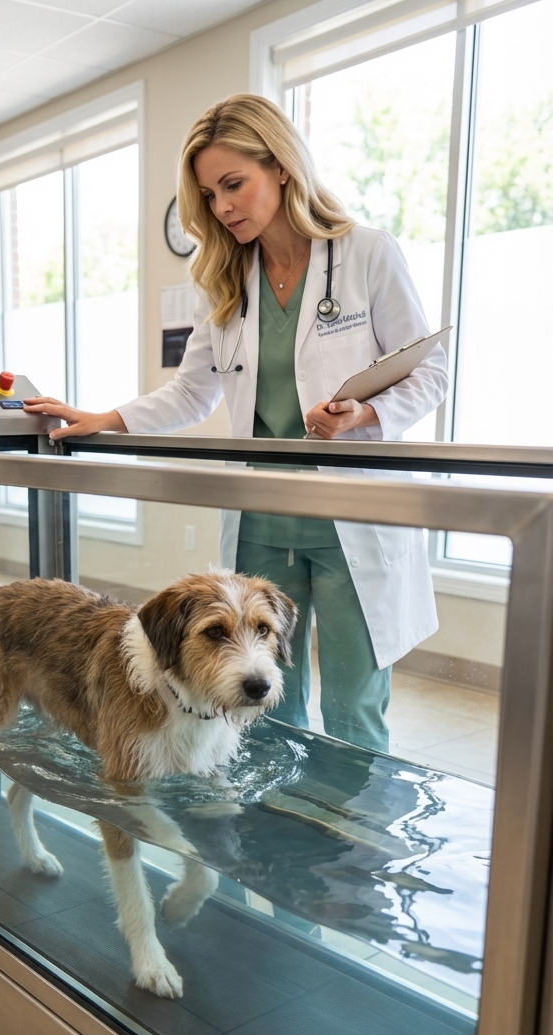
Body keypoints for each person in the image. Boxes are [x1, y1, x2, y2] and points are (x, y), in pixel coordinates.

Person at [23, 94, 447, 753]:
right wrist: (106, 418)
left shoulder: (365, 253)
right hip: (262, 521)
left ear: (281, 166)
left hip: (351, 519)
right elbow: (193, 393)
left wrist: (368, 413)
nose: (221, 207)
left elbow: (432, 370)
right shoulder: (224, 278)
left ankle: (350, 824)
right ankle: (275, 820)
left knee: (353, 711)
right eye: (209, 194)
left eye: (233, 184)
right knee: (263, 710)